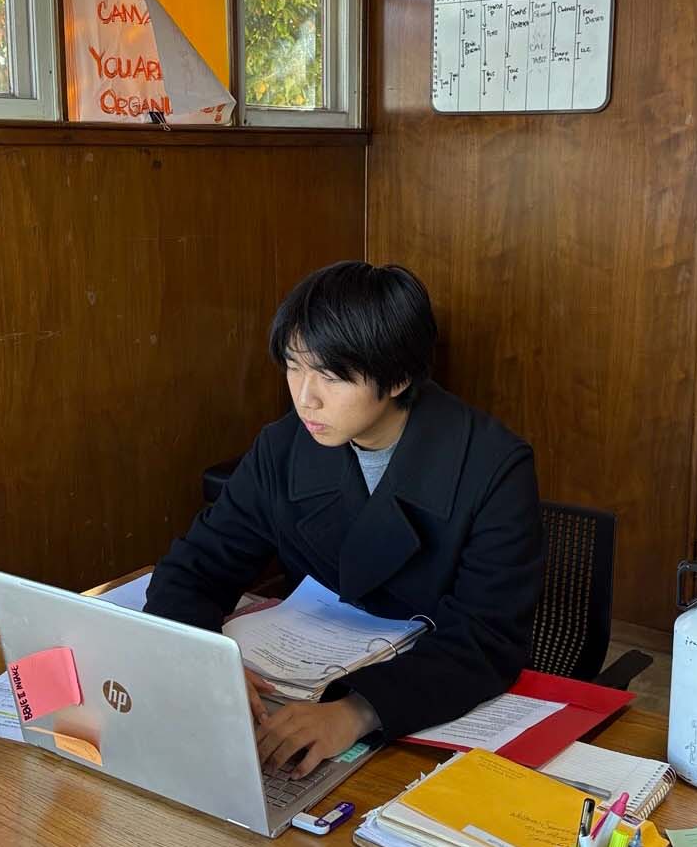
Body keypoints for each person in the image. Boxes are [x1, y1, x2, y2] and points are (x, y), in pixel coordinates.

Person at [143, 261, 544, 780]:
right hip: (298, 678)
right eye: (293, 366)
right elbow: (194, 568)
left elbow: (486, 637)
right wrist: (204, 660)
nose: (305, 396)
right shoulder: (283, 446)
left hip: (418, 703)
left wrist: (356, 712)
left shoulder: (493, 466)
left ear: (398, 377)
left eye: (331, 376)